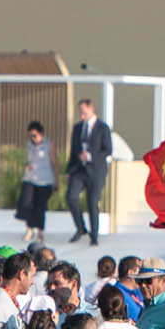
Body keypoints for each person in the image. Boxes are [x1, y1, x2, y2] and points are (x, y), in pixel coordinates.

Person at [62, 103, 113, 243]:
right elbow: (73, 152)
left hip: (96, 171)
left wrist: (90, 156)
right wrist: (69, 171)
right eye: (80, 112)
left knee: (92, 201)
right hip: (79, 170)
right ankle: (80, 228)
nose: (82, 115)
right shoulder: (78, 128)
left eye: (84, 112)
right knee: (71, 197)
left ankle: (94, 234)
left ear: (91, 109)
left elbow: (108, 150)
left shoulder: (103, 128)